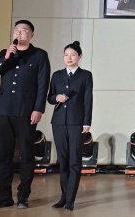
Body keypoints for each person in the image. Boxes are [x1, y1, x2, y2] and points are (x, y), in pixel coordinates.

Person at [0, 20, 50, 209]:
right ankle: (4, 196)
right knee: (4, 155)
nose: (19, 33)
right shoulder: (5, 53)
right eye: (17, 30)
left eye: (24, 30)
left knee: (27, 155)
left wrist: (38, 108)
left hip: (26, 111)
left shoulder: (39, 55)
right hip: (4, 110)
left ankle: (23, 196)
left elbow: (43, 84)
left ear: (32, 34)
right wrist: (5, 58)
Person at [48, 41, 94, 211]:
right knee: (63, 161)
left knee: (74, 161)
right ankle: (63, 197)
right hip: (58, 122)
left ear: (79, 57)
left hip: (76, 123)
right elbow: (50, 97)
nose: (69, 58)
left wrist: (87, 121)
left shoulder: (85, 75)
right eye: (66, 55)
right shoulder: (57, 75)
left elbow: (88, 99)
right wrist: (56, 98)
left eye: (73, 55)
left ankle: (70, 200)